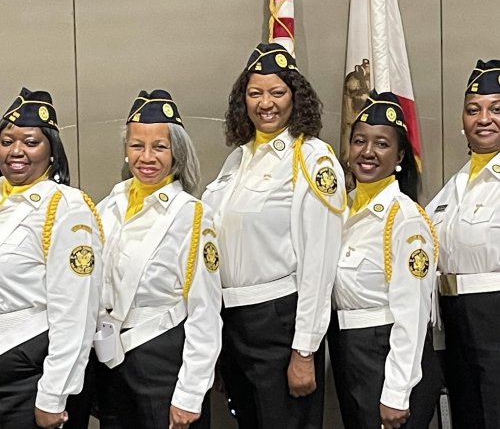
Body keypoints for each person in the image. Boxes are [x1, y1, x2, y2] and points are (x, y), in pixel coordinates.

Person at [202, 43, 346, 429]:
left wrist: (304, 350)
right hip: (235, 324)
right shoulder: (238, 159)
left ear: (295, 98)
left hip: (280, 324)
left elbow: (320, 261)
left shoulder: (312, 158)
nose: (266, 103)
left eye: (277, 92)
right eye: (255, 93)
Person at [94, 89, 222, 429]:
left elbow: (206, 312)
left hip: (164, 361)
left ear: (176, 152)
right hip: (111, 365)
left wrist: (190, 394)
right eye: (137, 146)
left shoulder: (193, 216)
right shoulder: (107, 206)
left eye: (159, 147)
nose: (146, 157)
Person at [329, 90, 441, 429]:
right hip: (350, 352)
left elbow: (413, 313)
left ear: (400, 155)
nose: (367, 151)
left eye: (381, 144)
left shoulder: (405, 219)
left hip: (387, 351)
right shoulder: (338, 209)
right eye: (359, 141)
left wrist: (396, 392)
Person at [0, 88, 103, 429]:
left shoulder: (65, 206)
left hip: (28, 374)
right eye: (6, 141)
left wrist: (53, 395)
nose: (16, 151)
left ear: (51, 151)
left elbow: (76, 309)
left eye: (30, 142)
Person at [426, 59, 500, 428]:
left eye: (496, 109)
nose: (483, 118)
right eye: (474, 110)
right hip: (454, 320)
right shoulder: (450, 190)